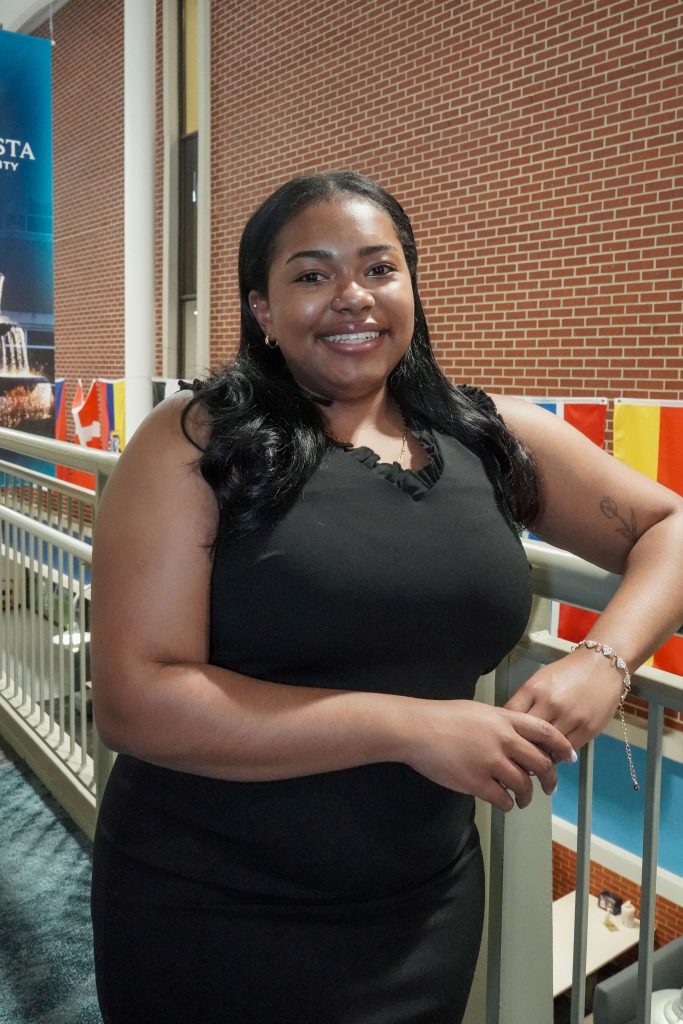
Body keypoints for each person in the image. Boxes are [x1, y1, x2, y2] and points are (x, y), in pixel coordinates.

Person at [90, 170, 683, 1024]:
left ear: (409, 286)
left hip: (418, 904)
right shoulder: (196, 442)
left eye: (378, 269)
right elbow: (138, 700)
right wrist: (408, 726)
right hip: (211, 900)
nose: (351, 298)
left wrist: (602, 661)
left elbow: (667, 526)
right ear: (262, 309)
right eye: (310, 274)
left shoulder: (488, 435)